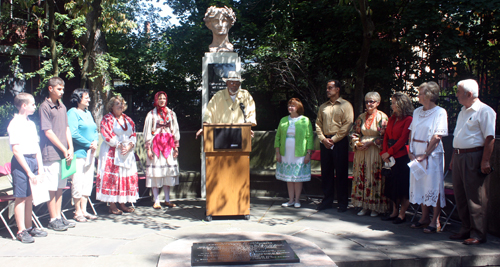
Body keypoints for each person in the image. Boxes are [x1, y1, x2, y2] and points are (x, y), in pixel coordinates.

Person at [450, 79, 496, 245]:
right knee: (460, 194)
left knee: (475, 197)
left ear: (469, 94)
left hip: (474, 156)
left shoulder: (485, 111)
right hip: (460, 155)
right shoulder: (463, 110)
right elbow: (458, 135)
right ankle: (465, 228)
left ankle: (478, 233)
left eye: (458, 92)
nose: (456, 95)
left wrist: (485, 161)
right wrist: (454, 157)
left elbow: (489, 138)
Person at [7, 93, 48, 243]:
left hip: (33, 159)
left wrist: (40, 167)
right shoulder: (15, 123)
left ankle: (30, 227)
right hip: (21, 162)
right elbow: (16, 150)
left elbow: (36, 146)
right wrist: (29, 172)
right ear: (24, 106)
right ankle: (21, 230)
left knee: (30, 196)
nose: (34, 106)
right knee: (21, 197)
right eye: (32, 104)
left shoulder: (31, 123)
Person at [408, 82, 448, 233]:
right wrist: (410, 151)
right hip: (416, 152)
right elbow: (411, 131)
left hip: (431, 154)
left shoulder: (440, 112)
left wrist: (425, 154)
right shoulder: (417, 111)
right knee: (420, 184)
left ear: (429, 95)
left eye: (420, 92)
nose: (418, 95)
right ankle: (424, 217)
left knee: (433, 185)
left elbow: (437, 136)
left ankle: (435, 220)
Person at [39, 77, 75, 231]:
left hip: (64, 154)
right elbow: (48, 132)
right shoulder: (44, 107)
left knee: (60, 186)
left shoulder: (62, 106)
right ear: (50, 88)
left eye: (63, 89)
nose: (62, 92)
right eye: (59, 89)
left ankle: (59, 216)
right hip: (51, 154)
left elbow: (67, 128)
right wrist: (63, 148)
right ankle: (53, 218)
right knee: (52, 187)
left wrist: (70, 148)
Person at [315, 80, 354, 212]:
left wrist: (335, 139)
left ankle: (342, 202)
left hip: (339, 141)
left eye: (330, 88)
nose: (327, 90)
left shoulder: (346, 105)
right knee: (326, 171)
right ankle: (327, 200)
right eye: (327, 88)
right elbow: (318, 124)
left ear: (337, 89)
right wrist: (323, 139)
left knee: (341, 172)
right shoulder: (323, 107)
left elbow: (348, 124)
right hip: (325, 141)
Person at [96, 96, 139, 214]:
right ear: (111, 106)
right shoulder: (107, 119)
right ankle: (112, 204)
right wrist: (119, 145)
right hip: (112, 151)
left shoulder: (128, 119)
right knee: (114, 178)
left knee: (123, 177)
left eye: (122, 103)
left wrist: (130, 145)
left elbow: (133, 134)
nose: (120, 105)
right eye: (117, 104)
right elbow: (106, 134)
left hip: (126, 153)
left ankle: (122, 203)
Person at [350, 92, 388, 217]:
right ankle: (363, 205)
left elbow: (385, 137)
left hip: (374, 151)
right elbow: (354, 133)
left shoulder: (382, 117)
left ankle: (375, 207)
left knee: (373, 176)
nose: (369, 104)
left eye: (372, 101)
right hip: (362, 151)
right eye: (367, 101)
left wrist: (371, 142)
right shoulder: (361, 117)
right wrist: (356, 143)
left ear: (378, 103)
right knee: (362, 175)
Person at [380, 92, 414, 224]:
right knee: (391, 186)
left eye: (394, 103)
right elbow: (386, 137)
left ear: (401, 104)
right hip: (389, 156)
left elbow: (403, 139)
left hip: (401, 157)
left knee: (402, 186)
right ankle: (394, 212)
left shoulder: (409, 119)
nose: (392, 105)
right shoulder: (392, 118)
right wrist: (384, 152)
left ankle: (402, 214)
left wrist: (390, 152)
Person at [143, 91, 180, 209]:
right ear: (156, 100)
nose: (162, 100)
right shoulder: (151, 114)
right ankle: (157, 200)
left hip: (168, 146)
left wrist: (176, 147)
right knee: (156, 173)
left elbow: (176, 130)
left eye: (164, 98)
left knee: (167, 173)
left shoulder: (171, 114)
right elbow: (147, 131)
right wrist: (148, 149)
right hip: (156, 147)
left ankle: (167, 200)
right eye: (160, 98)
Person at [274, 98, 314, 208]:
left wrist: (308, 153)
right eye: (289, 105)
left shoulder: (305, 120)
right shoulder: (283, 120)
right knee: (288, 177)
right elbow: (277, 137)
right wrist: (277, 152)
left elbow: (310, 137)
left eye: (293, 106)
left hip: (300, 153)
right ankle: (290, 200)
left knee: (297, 177)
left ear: (298, 108)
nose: (290, 108)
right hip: (286, 153)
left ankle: (297, 200)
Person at [67, 89, 98, 222]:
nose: (89, 100)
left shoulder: (88, 113)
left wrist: (95, 141)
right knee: (78, 181)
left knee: (87, 182)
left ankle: (85, 210)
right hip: (78, 153)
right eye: (86, 97)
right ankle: (77, 211)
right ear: (78, 98)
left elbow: (95, 130)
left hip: (90, 154)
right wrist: (88, 144)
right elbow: (73, 133)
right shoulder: (72, 113)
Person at [196, 71, 256, 138]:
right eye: (232, 82)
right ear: (227, 83)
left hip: (239, 133)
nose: (234, 85)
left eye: (237, 83)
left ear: (239, 84)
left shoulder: (245, 95)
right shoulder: (218, 96)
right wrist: (205, 127)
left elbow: (251, 112)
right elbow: (209, 112)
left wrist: (247, 128)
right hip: (221, 133)